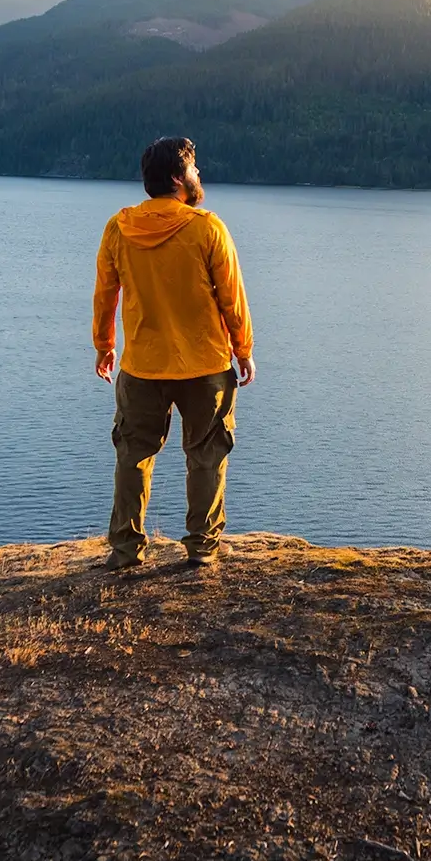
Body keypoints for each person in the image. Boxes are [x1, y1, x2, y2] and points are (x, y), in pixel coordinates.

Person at [92, 136, 256, 568]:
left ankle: (126, 550)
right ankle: (202, 547)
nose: (199, 176)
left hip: (142, 365)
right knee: (206, 455)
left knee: (133, 455)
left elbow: (105, 294)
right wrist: (244, 350)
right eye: (194, 170)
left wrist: (105, 347)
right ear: (176, 179)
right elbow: (232, 299)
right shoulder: (207, 228)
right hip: (205, 366)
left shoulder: (119, 227)